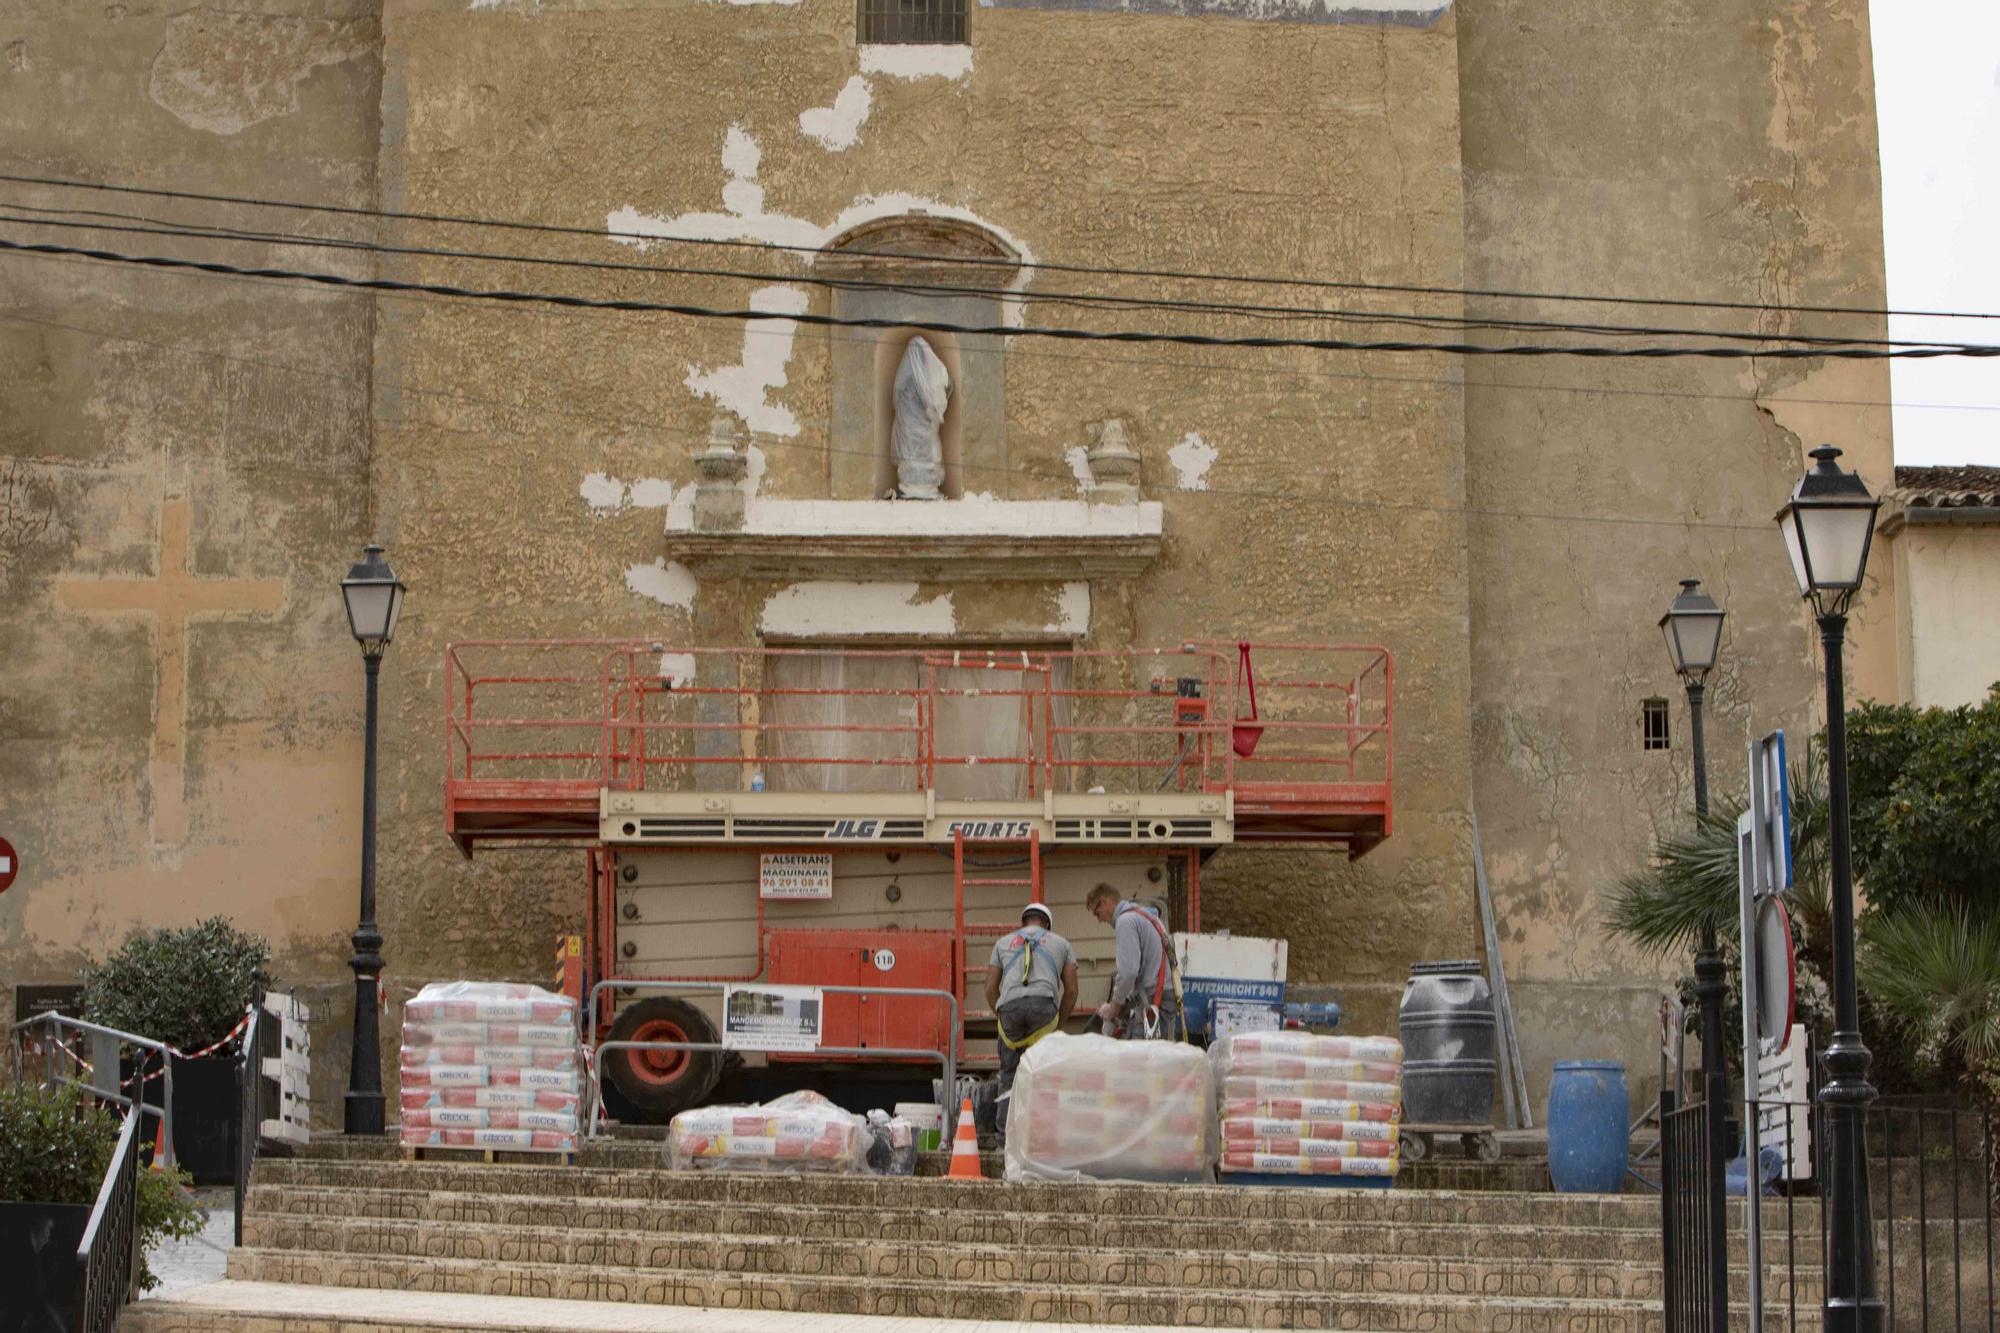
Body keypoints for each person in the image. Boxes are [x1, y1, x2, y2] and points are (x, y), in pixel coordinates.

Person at [984, 902, 1078, 1131]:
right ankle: (1043, 1136)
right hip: (1043, 1009)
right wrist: (1058, 1024)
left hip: (1010, 1009)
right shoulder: (1061, 943)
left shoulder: (1002, 943)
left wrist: (1001, 1015)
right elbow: (1072, 990)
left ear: (1023, 922)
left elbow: (989, 987)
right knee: (1044, 1074)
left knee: (1009, 1075)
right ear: (1047, 924)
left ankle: (1003, 1139)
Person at [1087, 883, 1184, 1041]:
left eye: (1097, 913)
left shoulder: (1125, 922)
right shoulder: (1148, 917)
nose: (1099, 920)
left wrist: (1114, 1006)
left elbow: (1128, 972)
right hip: (1163, 996)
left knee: (1139, 1060)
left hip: (1154, 999)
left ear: (1105, 901)